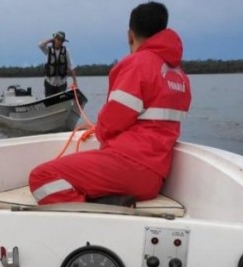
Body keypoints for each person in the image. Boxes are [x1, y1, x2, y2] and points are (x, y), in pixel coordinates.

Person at [29, 2, 191, 205]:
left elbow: (111, 123)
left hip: (128, 167)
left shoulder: (139, 65)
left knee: (42, 176)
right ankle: (109, 200)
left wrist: (102, 133)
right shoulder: (179, 76)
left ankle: (92, 212)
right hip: (154, 177)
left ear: (130, 35)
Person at [39, 31, 78, 97]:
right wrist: (50, 40)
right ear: (55, 39)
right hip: (49, 83)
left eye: (61, 40)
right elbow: (40, 45)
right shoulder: (48, 49)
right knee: (49, 101)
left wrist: (75, 82)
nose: (59, 42)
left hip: (61, 84)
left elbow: (71, 67)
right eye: (58, 39)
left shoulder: (65, 51)